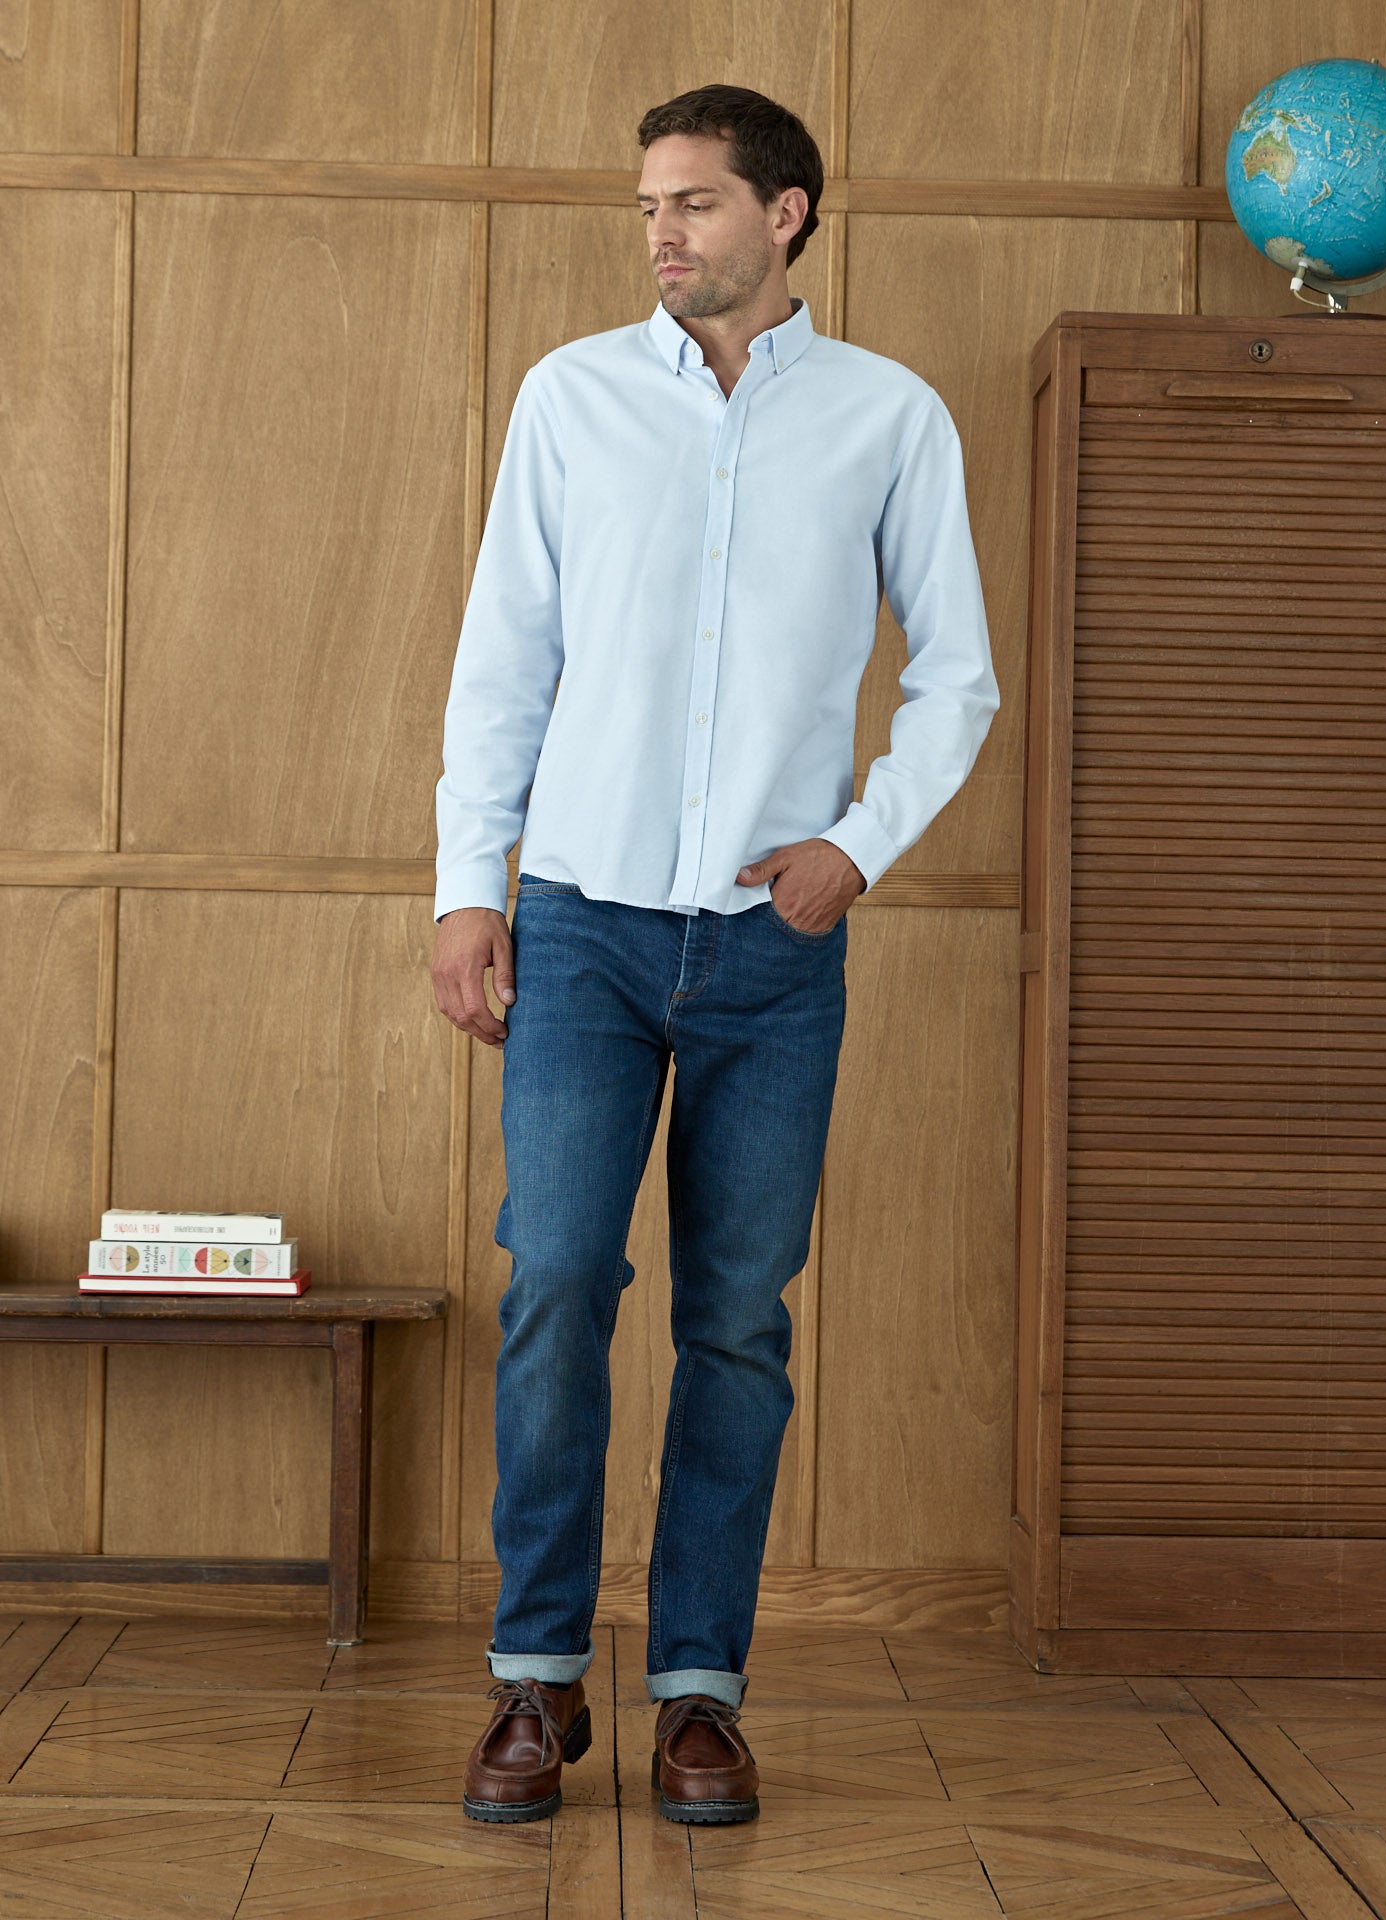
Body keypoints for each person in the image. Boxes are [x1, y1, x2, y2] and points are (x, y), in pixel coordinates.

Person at [430, 81, 999, 1826]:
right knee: (554, 1285)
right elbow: (503, 658)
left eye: (690, 202)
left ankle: (699, 1694)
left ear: (785, 213)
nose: (660, 232)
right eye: (648, 207)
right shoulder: (571, 398)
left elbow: (956, 677)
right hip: (582, 925)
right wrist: (467, 888)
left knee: (737, 1324)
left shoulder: (889, 417)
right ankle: (537, 1680)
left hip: (771, 947)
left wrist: (856, 845)